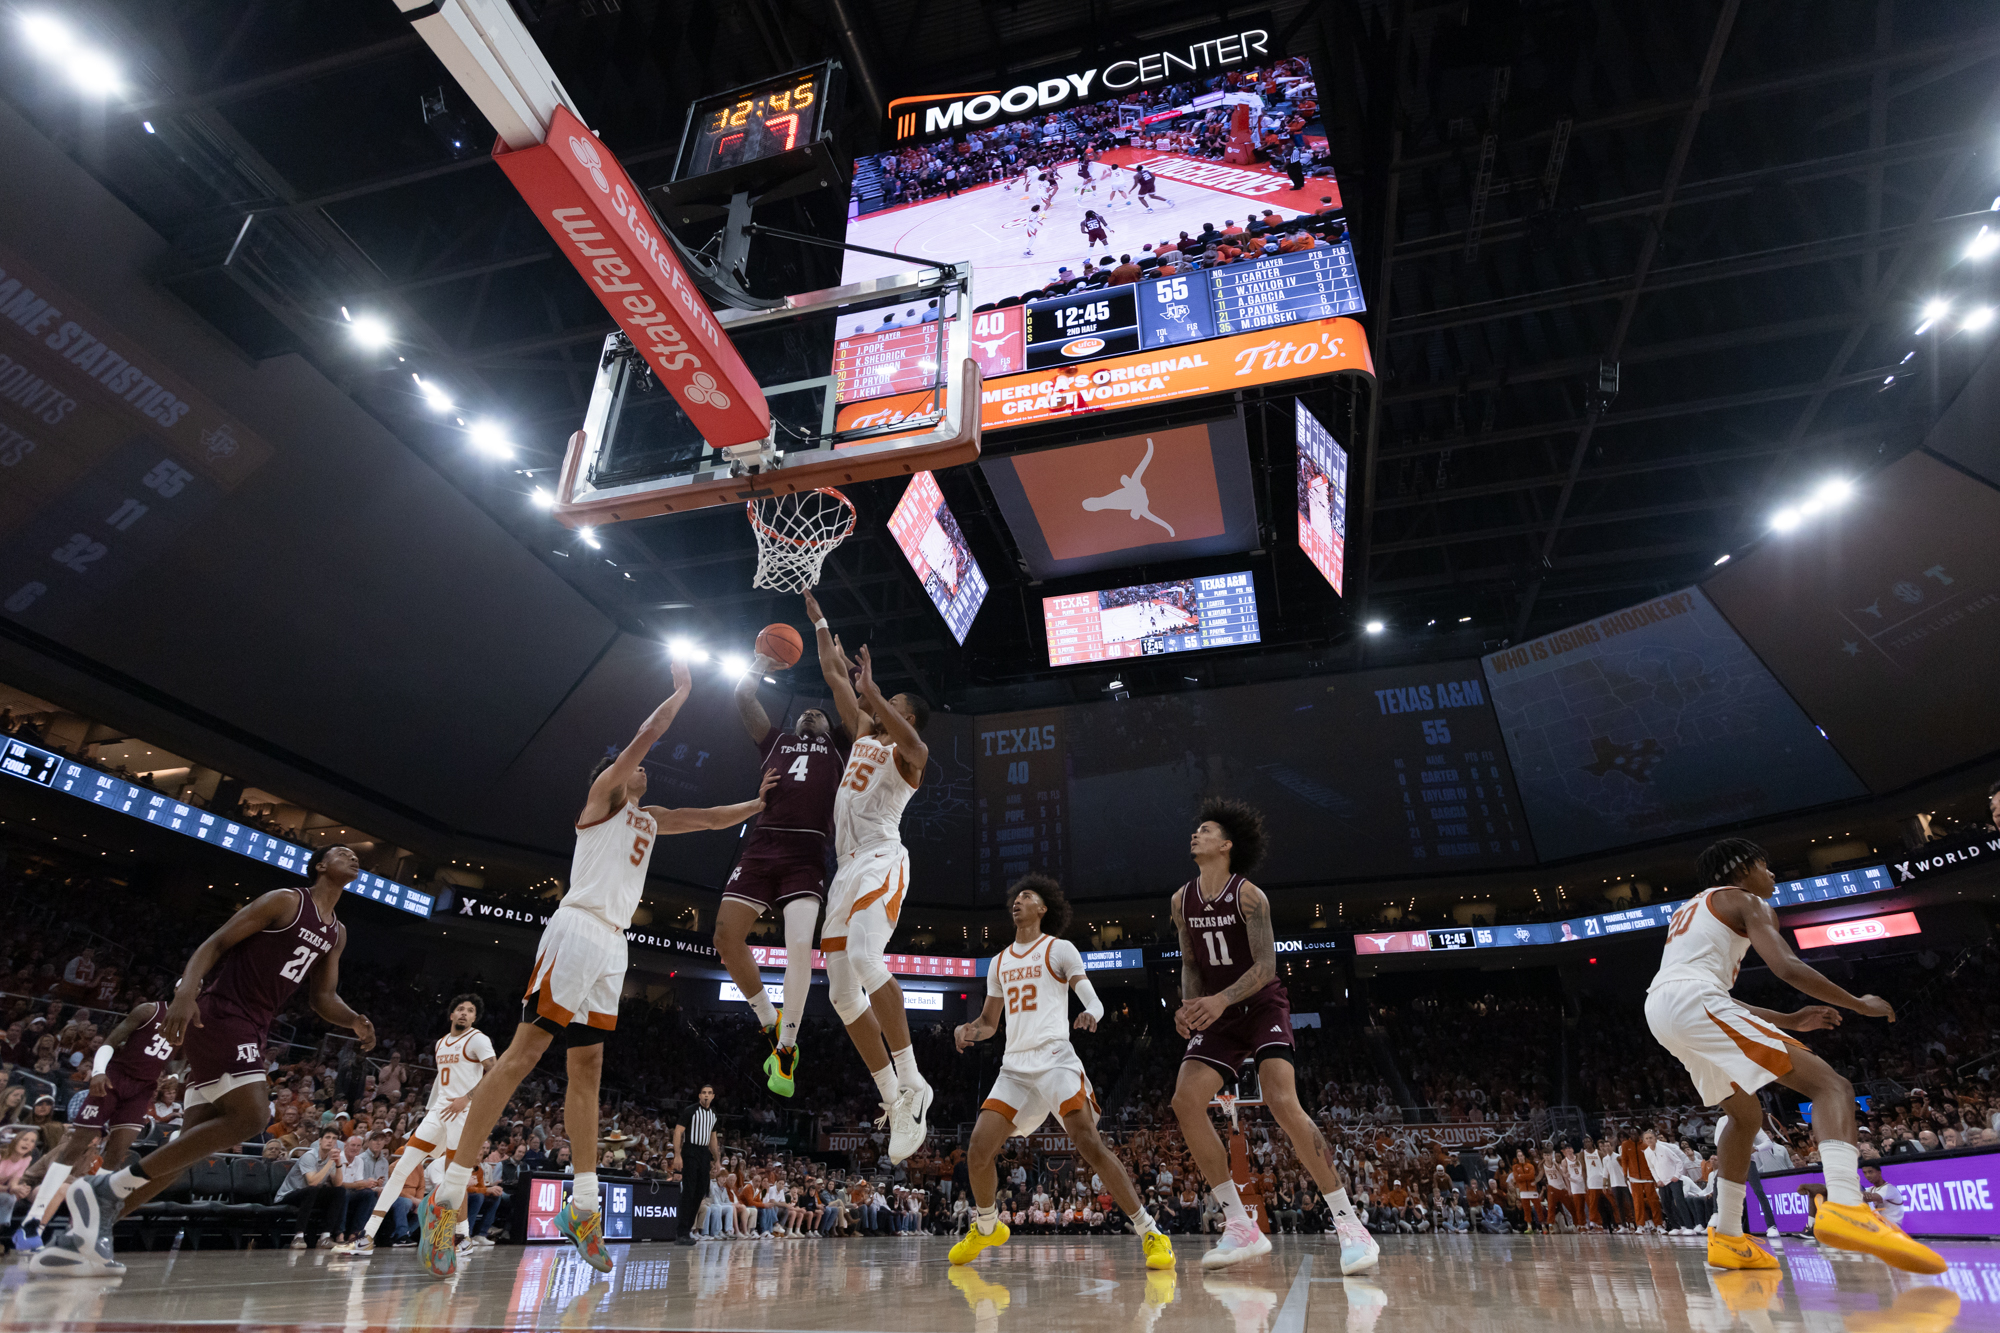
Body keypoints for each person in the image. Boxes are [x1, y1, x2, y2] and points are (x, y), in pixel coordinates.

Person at [415, 662, 774, 1279]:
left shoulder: (648, 818)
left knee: (588, 1071)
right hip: (577, 930)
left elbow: (713, 817)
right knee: (522, 1057)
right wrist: (682, 693)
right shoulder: (604, 800)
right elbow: (646, 736)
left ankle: (581, 1208)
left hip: (613, 946)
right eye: (633, 767)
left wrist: (763, 802)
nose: (642, 769)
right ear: (610, 780)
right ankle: (446, 1199)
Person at [30, 846, 375, 1277]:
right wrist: (185, 991)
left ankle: (78, 1242)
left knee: (181, 1156)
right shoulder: (286, 901)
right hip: (222, 1013)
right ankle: (108, 1187)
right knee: (252, 1116)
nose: (354, 858)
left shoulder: (336, 932)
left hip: (253, 1025)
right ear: (321, 865)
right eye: (342, 852)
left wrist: (354, 1021)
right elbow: (215, 943)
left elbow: (322, 998)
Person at [1644, 836, 1946, 1275]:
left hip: (1663, 1010)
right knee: (1831, 1087)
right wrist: (1858, 1003)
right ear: (1741, 866)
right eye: (1766, 865)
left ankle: (1727, 1234)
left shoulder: (1689, 911)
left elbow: (1700, 996)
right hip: (1696, 1003)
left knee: (1744, 1117)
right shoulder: (1747, 900)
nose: (1772, 875)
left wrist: (1788, 1020)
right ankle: (1845, 1204)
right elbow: (1786, 967)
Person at [1167, 798, 1377, 1274]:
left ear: (1226, 845)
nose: (1194, 834)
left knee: (1282, 1100)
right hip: (1216, 1012)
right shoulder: (1181, 900)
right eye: (1194, 829)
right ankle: (1240, 1225)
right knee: (1184, 1101)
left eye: (1205, 830)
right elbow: (1190, 963)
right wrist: (1188, 1005)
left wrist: (1220, 1000)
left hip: (1260, 1004)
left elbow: (1266, 967)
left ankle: (1349, 1224)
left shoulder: (1250, 897)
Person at [948, 874, 1174, 1273]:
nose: (1019, 900)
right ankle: (986, 1226)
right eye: (1016, 896)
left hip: (1054, 1059)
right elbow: (989, 1022)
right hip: (1015, 1068)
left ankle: (1150, 1231)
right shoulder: (999, 961)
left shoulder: (1059, 949)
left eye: (1028, 895)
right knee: (979, 1150)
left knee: (1089, 1142)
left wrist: (1092, 1013)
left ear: (1044, 908)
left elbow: (1091, 998)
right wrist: (967, 1031)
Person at [805, 590, 935, 1165]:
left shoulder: (907, 755)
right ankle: (894, 1098)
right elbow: (834, 673)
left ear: (900, 713)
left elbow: (915, 743)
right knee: (837, 991)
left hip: (883, 857)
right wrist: (819, 619)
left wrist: (874, 693)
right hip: (845, 869)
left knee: (865, 956)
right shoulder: (861, 733)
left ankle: (913, 1080)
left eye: (890, 704)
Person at [722, 636, 845, 1098]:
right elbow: (742, 696)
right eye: (804, 713)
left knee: (799, 948)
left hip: (807, 853)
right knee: (724, 937)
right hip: (762, 845)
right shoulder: (775, 741)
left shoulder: (839, 750)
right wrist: (760, 659)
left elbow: (843, 700)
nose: (811, 714)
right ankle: (768, 1020)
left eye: (820, 715)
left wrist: (835, 663)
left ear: (831, 729)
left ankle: (788, 1048)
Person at [339, 994, 495, 1255]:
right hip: (438, 1113)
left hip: (464, 1114)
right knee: (400, 1169)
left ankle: (463, 1237)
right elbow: (441, 1082)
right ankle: (368, 1236)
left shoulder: (477, 1039)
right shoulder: (441, 1043)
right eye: (460, 1009)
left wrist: (466, 1098)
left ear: (474, 1018)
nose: (465, 1013)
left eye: (470, 1011)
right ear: (451, 1015)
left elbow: (495, 1070)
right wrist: (430, 1109)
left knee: (453, 1177)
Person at [12, 997, 172, 1251]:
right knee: (77, 1145)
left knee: (118, 1154)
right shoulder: (149, 1011)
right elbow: (109, 1043)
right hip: (114, 1078)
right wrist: (98, 1071)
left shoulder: (193, 1026)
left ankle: (82, 1230)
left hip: (143, 1088)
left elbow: (177, 1059)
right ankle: (33, 1223)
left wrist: (173, 1077)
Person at [673, 1084, 720, 1245]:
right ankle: (681, 1232)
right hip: (690, 1150)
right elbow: (678, 1132)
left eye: (709, 1093)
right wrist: (677, 1155)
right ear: (699, 1096)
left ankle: (687, 1231)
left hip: (704, 1153)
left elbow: (713, 1139)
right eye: (704, 1093)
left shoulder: (713, 1114)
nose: (706, 1095)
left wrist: (717, 1159)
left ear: (713, 1096)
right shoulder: (690, 1111)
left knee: (700, 1192)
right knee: (689, 1191)